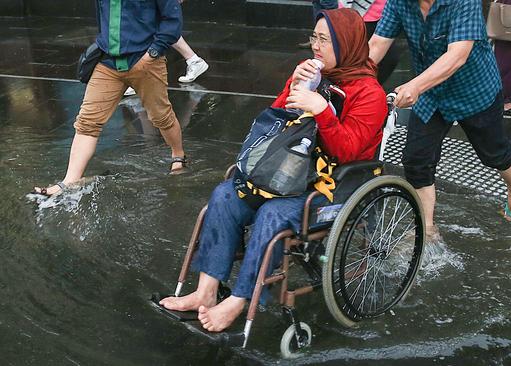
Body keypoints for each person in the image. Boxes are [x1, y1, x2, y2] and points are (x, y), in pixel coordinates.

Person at [159, 8, 387, 332]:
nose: (315, 46)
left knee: (273, 214)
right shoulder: (317, 76)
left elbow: (347, 151)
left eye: (324, 40)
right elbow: (275, 123)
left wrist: (322, 110)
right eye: (314, 38)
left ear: (346, 44)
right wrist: (295, 85)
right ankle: (205, 291)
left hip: (333, 188)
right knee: (225, 195)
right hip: (290, 172)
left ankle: (241, 300)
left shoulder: (370, 94)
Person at [368, 0, 511, 237]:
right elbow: (377, 43)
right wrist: (346, 78)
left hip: (474, 89)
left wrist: (415, 86)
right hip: (431, 91)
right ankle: (426, 230)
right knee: (416, 161)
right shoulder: (400, 2)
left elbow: (457, 55)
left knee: (494, 153)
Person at [34, 0, 186, 196]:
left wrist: (152, 54)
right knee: (87, 122)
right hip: (107, 63)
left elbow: (172, 21)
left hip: (146, 61)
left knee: (161, 117)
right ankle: (69, 182)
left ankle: (178, 156)